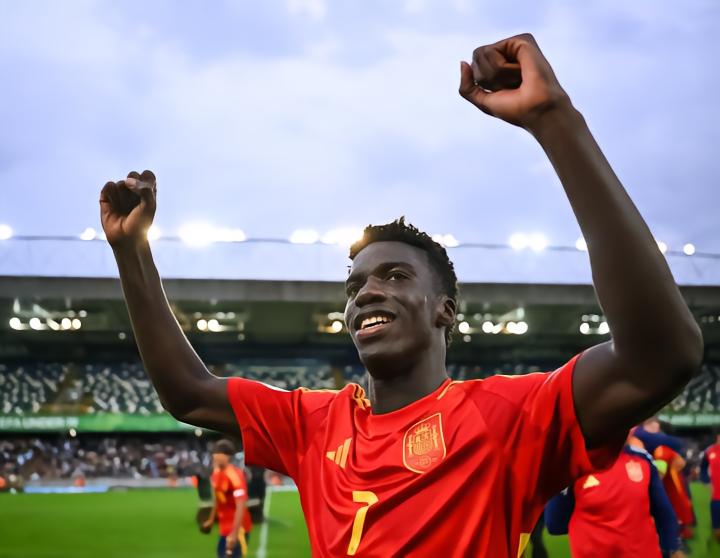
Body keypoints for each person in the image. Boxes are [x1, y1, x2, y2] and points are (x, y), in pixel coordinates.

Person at [99, 33, 703, 556]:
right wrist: (132, 251)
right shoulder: (312, 424)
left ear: (445, 310)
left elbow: (661, 357)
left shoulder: (508, 418)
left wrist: (554, 120)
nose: (365, 293)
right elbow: (189, 392)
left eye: (393, 276)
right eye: (355, 285)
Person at [545, 434, 683, 557]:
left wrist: (671, 548)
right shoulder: (572, 461)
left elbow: (664, 512)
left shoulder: (643, 459)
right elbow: (555, 524)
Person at [202, 440, 252, 558]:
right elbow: (218, 499)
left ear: (228, 456)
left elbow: (241, 505)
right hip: (224, 528)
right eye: (215, 453)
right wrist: (211, 519)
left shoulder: (235, 475)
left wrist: (234, 534)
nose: (215, 456)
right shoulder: (216, 473)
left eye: (219, 453)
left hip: (238, 528)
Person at [700, 432, 720, 544]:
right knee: (717, 528)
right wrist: (705, 480)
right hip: (716, 493)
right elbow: (703, 467)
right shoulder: (709, 451)